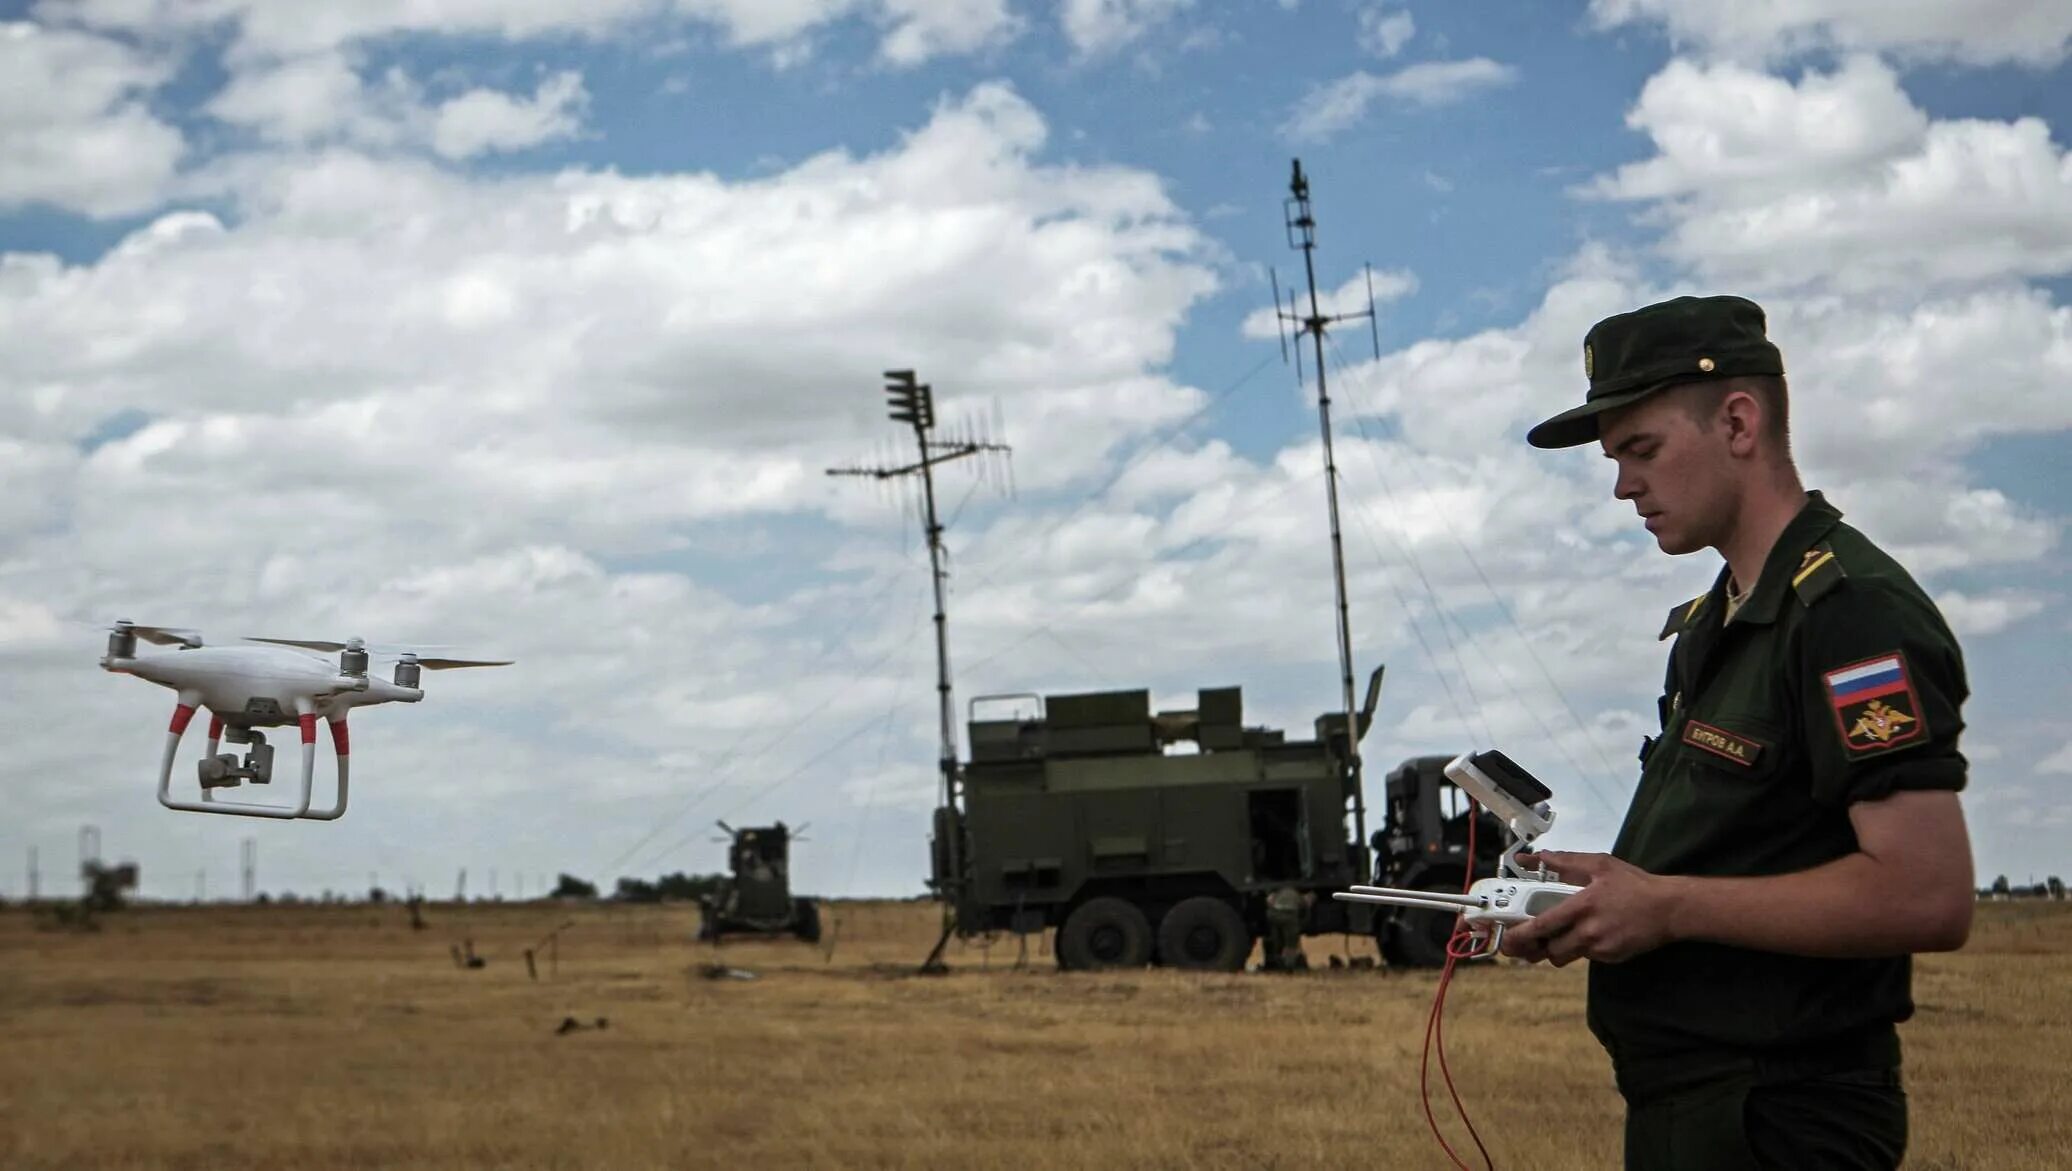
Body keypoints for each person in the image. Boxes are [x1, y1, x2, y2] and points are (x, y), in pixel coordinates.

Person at [1507, 295, 1976, 1170]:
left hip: (1781, 1119)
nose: (1622, 485)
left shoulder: (1850, 615)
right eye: (1615, 459)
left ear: (1737, 420)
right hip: (1700, 1112)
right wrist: (1613, 892)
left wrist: (1667, 906)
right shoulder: (1714, 624)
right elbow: (1742, 846)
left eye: (1641, 450)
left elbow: (1927, 893)